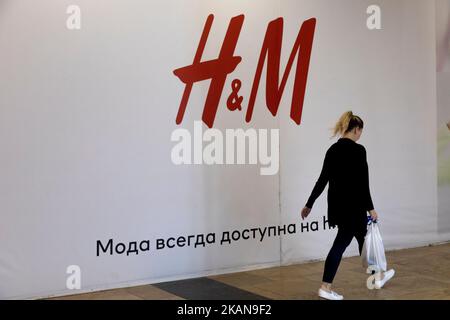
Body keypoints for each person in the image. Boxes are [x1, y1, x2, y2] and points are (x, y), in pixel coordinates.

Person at [300, 111, 395, 300]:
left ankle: (377, 277)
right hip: (355, 208)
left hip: (337, 207)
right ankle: (325, 287)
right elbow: (363, 183)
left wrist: (309, 204)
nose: (360, 135)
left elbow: (322, 180)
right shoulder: (359, 151)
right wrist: (371, 208)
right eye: (361, 131)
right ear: (357, 129)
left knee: (363, 241)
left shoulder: (332, 150)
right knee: (341, 243)